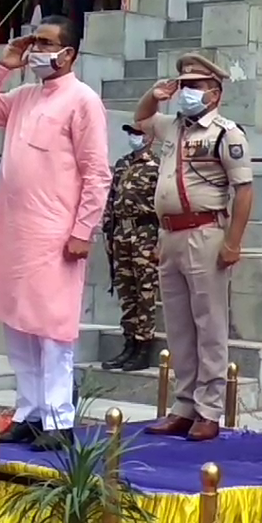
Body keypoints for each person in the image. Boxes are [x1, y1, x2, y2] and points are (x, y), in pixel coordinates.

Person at [0, 18, 111, 451]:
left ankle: (58, 419)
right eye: (35, 41)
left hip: (55, 232)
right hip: (12, 231)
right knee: (18, 324)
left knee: (52, 328)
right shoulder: (24, 96)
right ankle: (28, 412)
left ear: (69, 54)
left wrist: (84, 229)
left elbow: (97, 173)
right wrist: (4, 64)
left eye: (46, 43)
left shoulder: (83, 101)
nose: (37, 50)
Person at [133, 54, 254, 442]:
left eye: (196, 86)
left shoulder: (225, 133)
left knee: (209, 322)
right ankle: (183, 405)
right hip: (170, 234)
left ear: (215, 93)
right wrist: (154, 96)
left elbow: (244, 191)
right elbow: (141, 119)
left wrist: (233, 242)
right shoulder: (173, 127)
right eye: (183, 84)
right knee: (179, 325)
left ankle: (209, 409)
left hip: (206, 231)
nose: (187, 91)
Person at [100, 123, 161, 372]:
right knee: (126, 290)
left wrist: (160, 239)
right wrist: (107, 230)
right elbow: (111, 198)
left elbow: (162, 203)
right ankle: (129, 343)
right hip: (121, 232)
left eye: (139, 133)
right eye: (131, 133)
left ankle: (143, 346)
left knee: (144, 290)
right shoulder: (123, 164)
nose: (134, 138)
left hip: (145, 232)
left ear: (150, 137)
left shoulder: (157, 165)